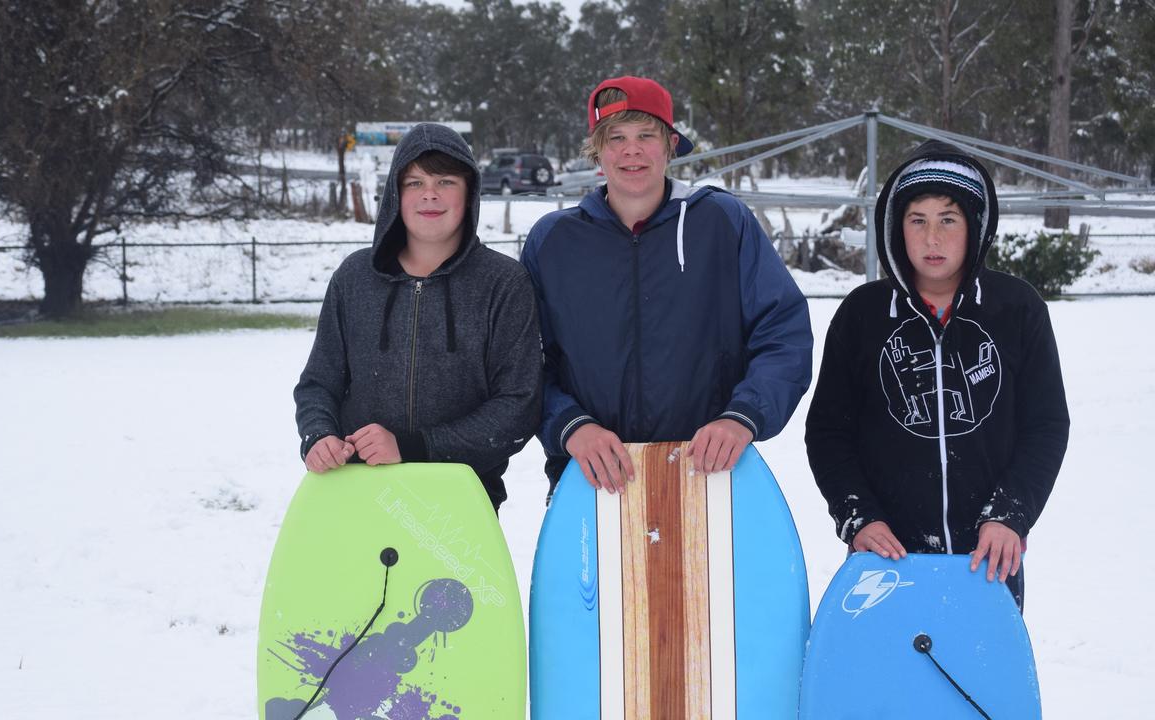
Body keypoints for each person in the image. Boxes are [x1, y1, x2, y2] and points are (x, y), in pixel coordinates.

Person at [805, 140, 1070, 610]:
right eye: (917, 220)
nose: (932, 238)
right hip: (888, 557)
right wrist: (859, 518)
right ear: (895, 227)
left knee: (978, 682)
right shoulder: (861, 315)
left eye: (949, 219)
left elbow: (1046, 425)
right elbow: (828, 433)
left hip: (989, 556)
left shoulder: (1017, 309)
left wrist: (1010, 515)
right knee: (892, 680)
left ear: (975, 227)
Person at [520, 76, 812, 494]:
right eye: (615, 137)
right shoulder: (553, 241)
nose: (631, 150)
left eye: (646, 135)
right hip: (593, 479)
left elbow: (783, 332)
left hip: (710, 475)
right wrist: (570, 425)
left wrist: (742, 415)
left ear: (671, 144)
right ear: (597, 151)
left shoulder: (722, 222)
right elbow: (522, 360)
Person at [293, 123, 541, 512]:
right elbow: (318, 383)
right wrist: (318, 434)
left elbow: (518, 406)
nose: (429, 194)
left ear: (469, 192)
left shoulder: (504, 284)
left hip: (460, 503)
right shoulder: (354, 278)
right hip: (355, 495)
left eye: (445, 181)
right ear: (396, 193)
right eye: (414, 182)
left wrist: (415, 446)